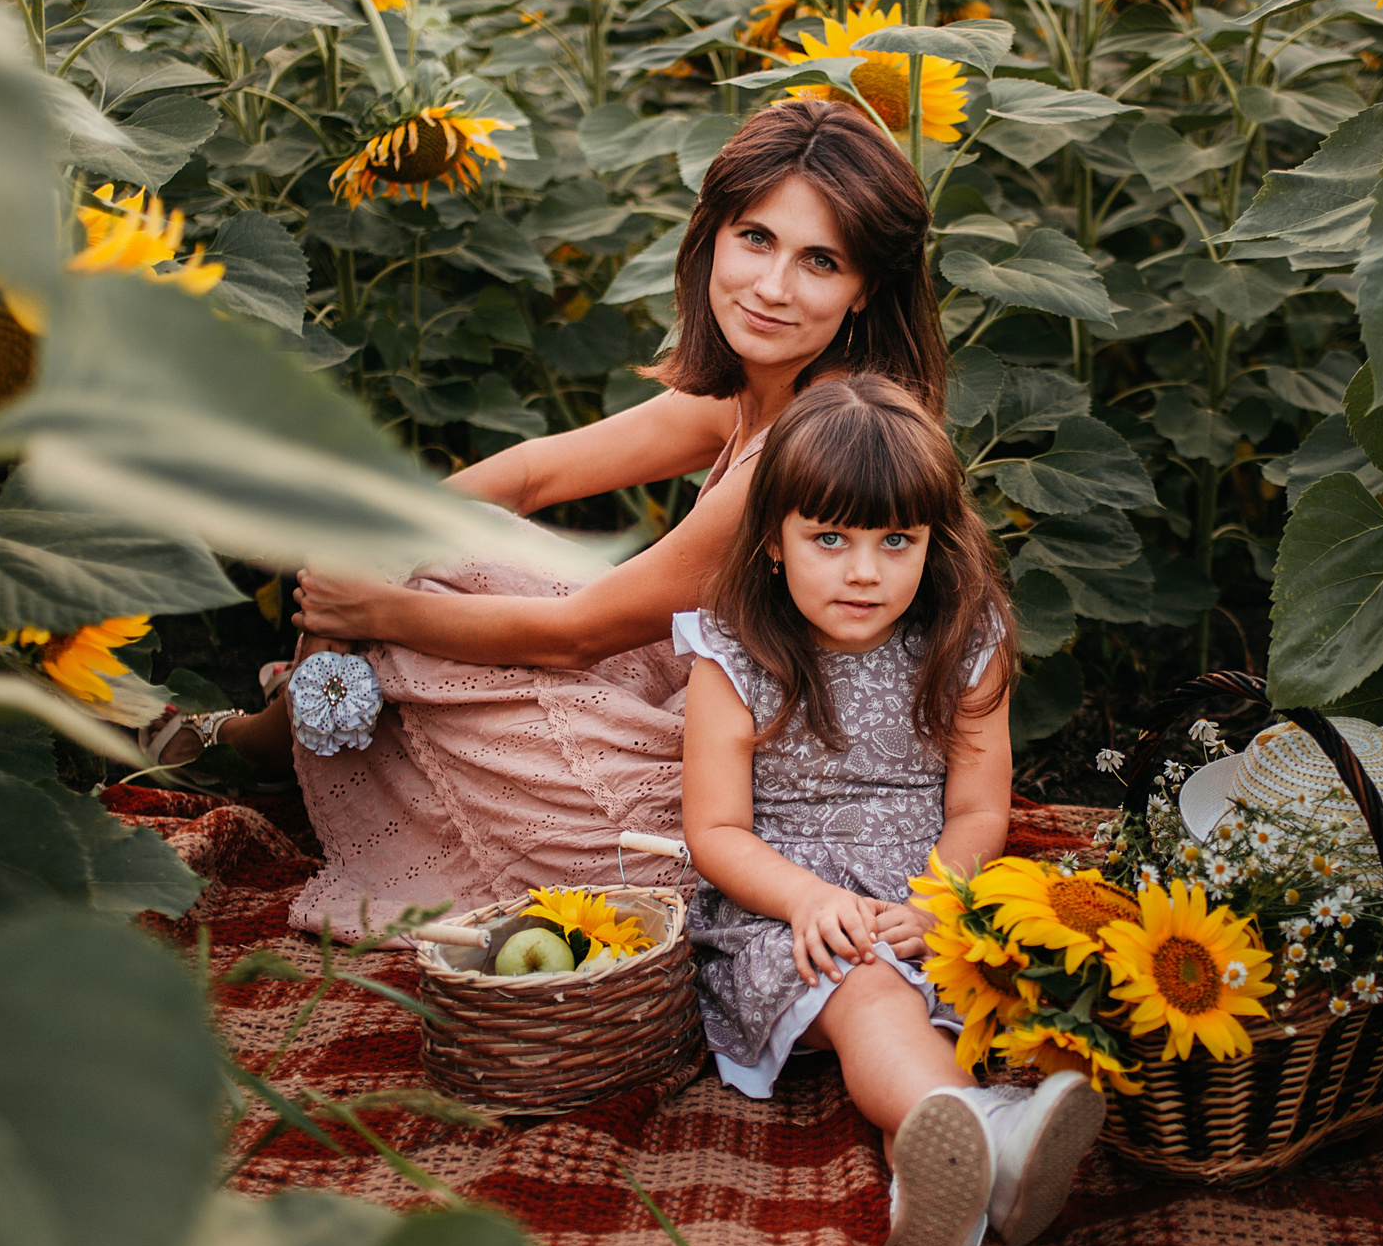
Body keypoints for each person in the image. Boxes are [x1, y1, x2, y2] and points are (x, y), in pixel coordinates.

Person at [138, 99, 951, 933]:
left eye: (821, 261)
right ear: (713, 234)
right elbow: (534, 472)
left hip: (729, 803)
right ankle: (289, 733)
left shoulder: (812, 444)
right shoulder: (758, 385)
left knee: (417, 623)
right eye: (756, 238)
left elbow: (580, 633)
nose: (773, 287)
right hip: (706, 708)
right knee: (432, 551)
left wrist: (374, 608)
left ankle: (271, 742)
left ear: (864, 292)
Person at [677, 375, 1102, 1246]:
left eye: (894, 541)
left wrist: (933, 899)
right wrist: (809, 899)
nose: (862, 571)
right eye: (828, 538)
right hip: (784, 907)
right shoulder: (734, 650)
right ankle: (993, 1128)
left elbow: (980, 811)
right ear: (773, 543)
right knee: (871, 994)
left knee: (978, 993)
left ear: (932, 544)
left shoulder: (962, 635)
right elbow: (714, 830)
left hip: (929, 892)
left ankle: (936, 1192)